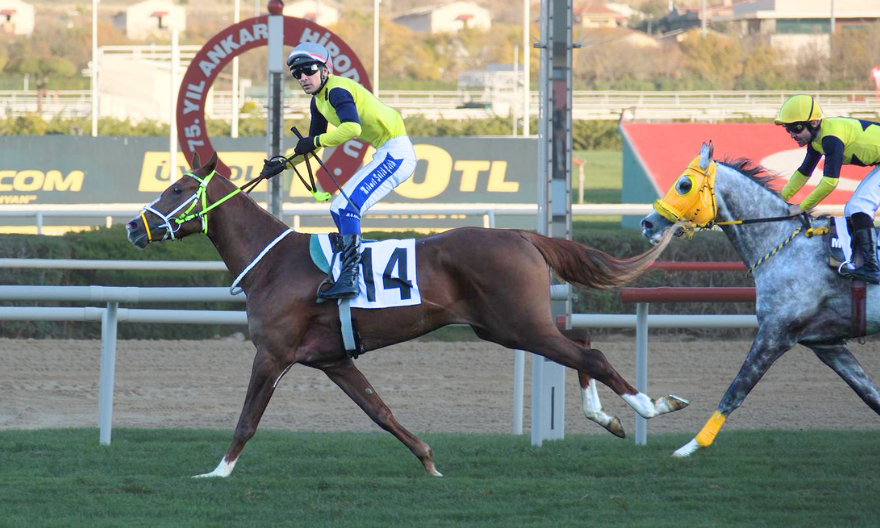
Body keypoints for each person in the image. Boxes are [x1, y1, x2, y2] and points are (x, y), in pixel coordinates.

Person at [260, 42, 417, 300]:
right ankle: (353, 271)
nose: (303, 78)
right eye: (296, 73)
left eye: (308, 69)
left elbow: (352, 129)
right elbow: (311, 146)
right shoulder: (317, 101)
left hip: (396, 153)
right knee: (337, 207)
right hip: (386, 151)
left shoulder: (337, 90)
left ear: (325, 69)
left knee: (345, 207)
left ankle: (351, 277)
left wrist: (316, 141)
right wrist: (283, 164)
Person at [776, 94, 880, 284]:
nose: (792, 134)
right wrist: (778, 199)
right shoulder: (817, 139)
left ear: (814, 123)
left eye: (796, 128)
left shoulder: (830, 138)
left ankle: (872, 268)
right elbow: (803, 172)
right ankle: (865, 263)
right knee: (852, 209)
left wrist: (802, 207)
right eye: (788, 129)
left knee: (859, 206)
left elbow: (830, 182)